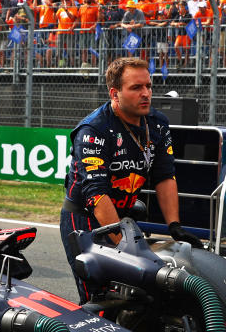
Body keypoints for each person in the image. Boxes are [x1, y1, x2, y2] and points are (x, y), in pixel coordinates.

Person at [60, 56, 202, 303]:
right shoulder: (93, 130)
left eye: (148, 86)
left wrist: (174, 227)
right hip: (85, 219)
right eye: (136, 88)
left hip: (122, 217)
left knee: (139, 293)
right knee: (101, 297)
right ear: (115, 93)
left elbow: (165, 176)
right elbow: (96, 194)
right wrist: (126, 249)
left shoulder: (158, 124)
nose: (146, 93)